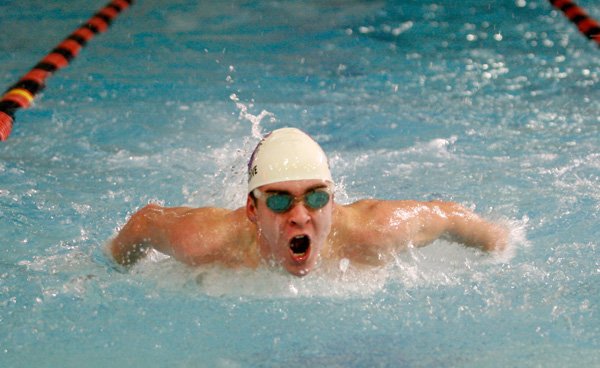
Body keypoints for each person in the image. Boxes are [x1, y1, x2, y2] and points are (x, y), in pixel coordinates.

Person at [109, 127, 507, 277]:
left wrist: (501, 250)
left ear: (333, 202)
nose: (300, 216)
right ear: (252, 209)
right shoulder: (205, 240)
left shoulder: (376, 231)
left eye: (315, 198)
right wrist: (108, 270)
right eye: (280, 202)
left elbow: (450, 216)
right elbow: (145, 222)